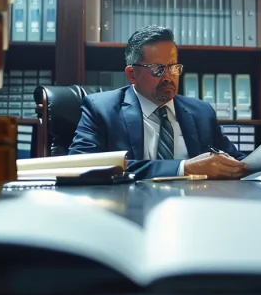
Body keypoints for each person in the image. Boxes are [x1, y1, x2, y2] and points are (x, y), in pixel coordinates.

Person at [67, 25, 248, 179]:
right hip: (130, 208)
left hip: (193, 208)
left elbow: (235, 161)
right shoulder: (101, 109)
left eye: (173, 67)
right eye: (157, 69)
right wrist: (182, 168)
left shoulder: (201, 112)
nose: (168, 77)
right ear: (132, 74)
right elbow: (81, 165)